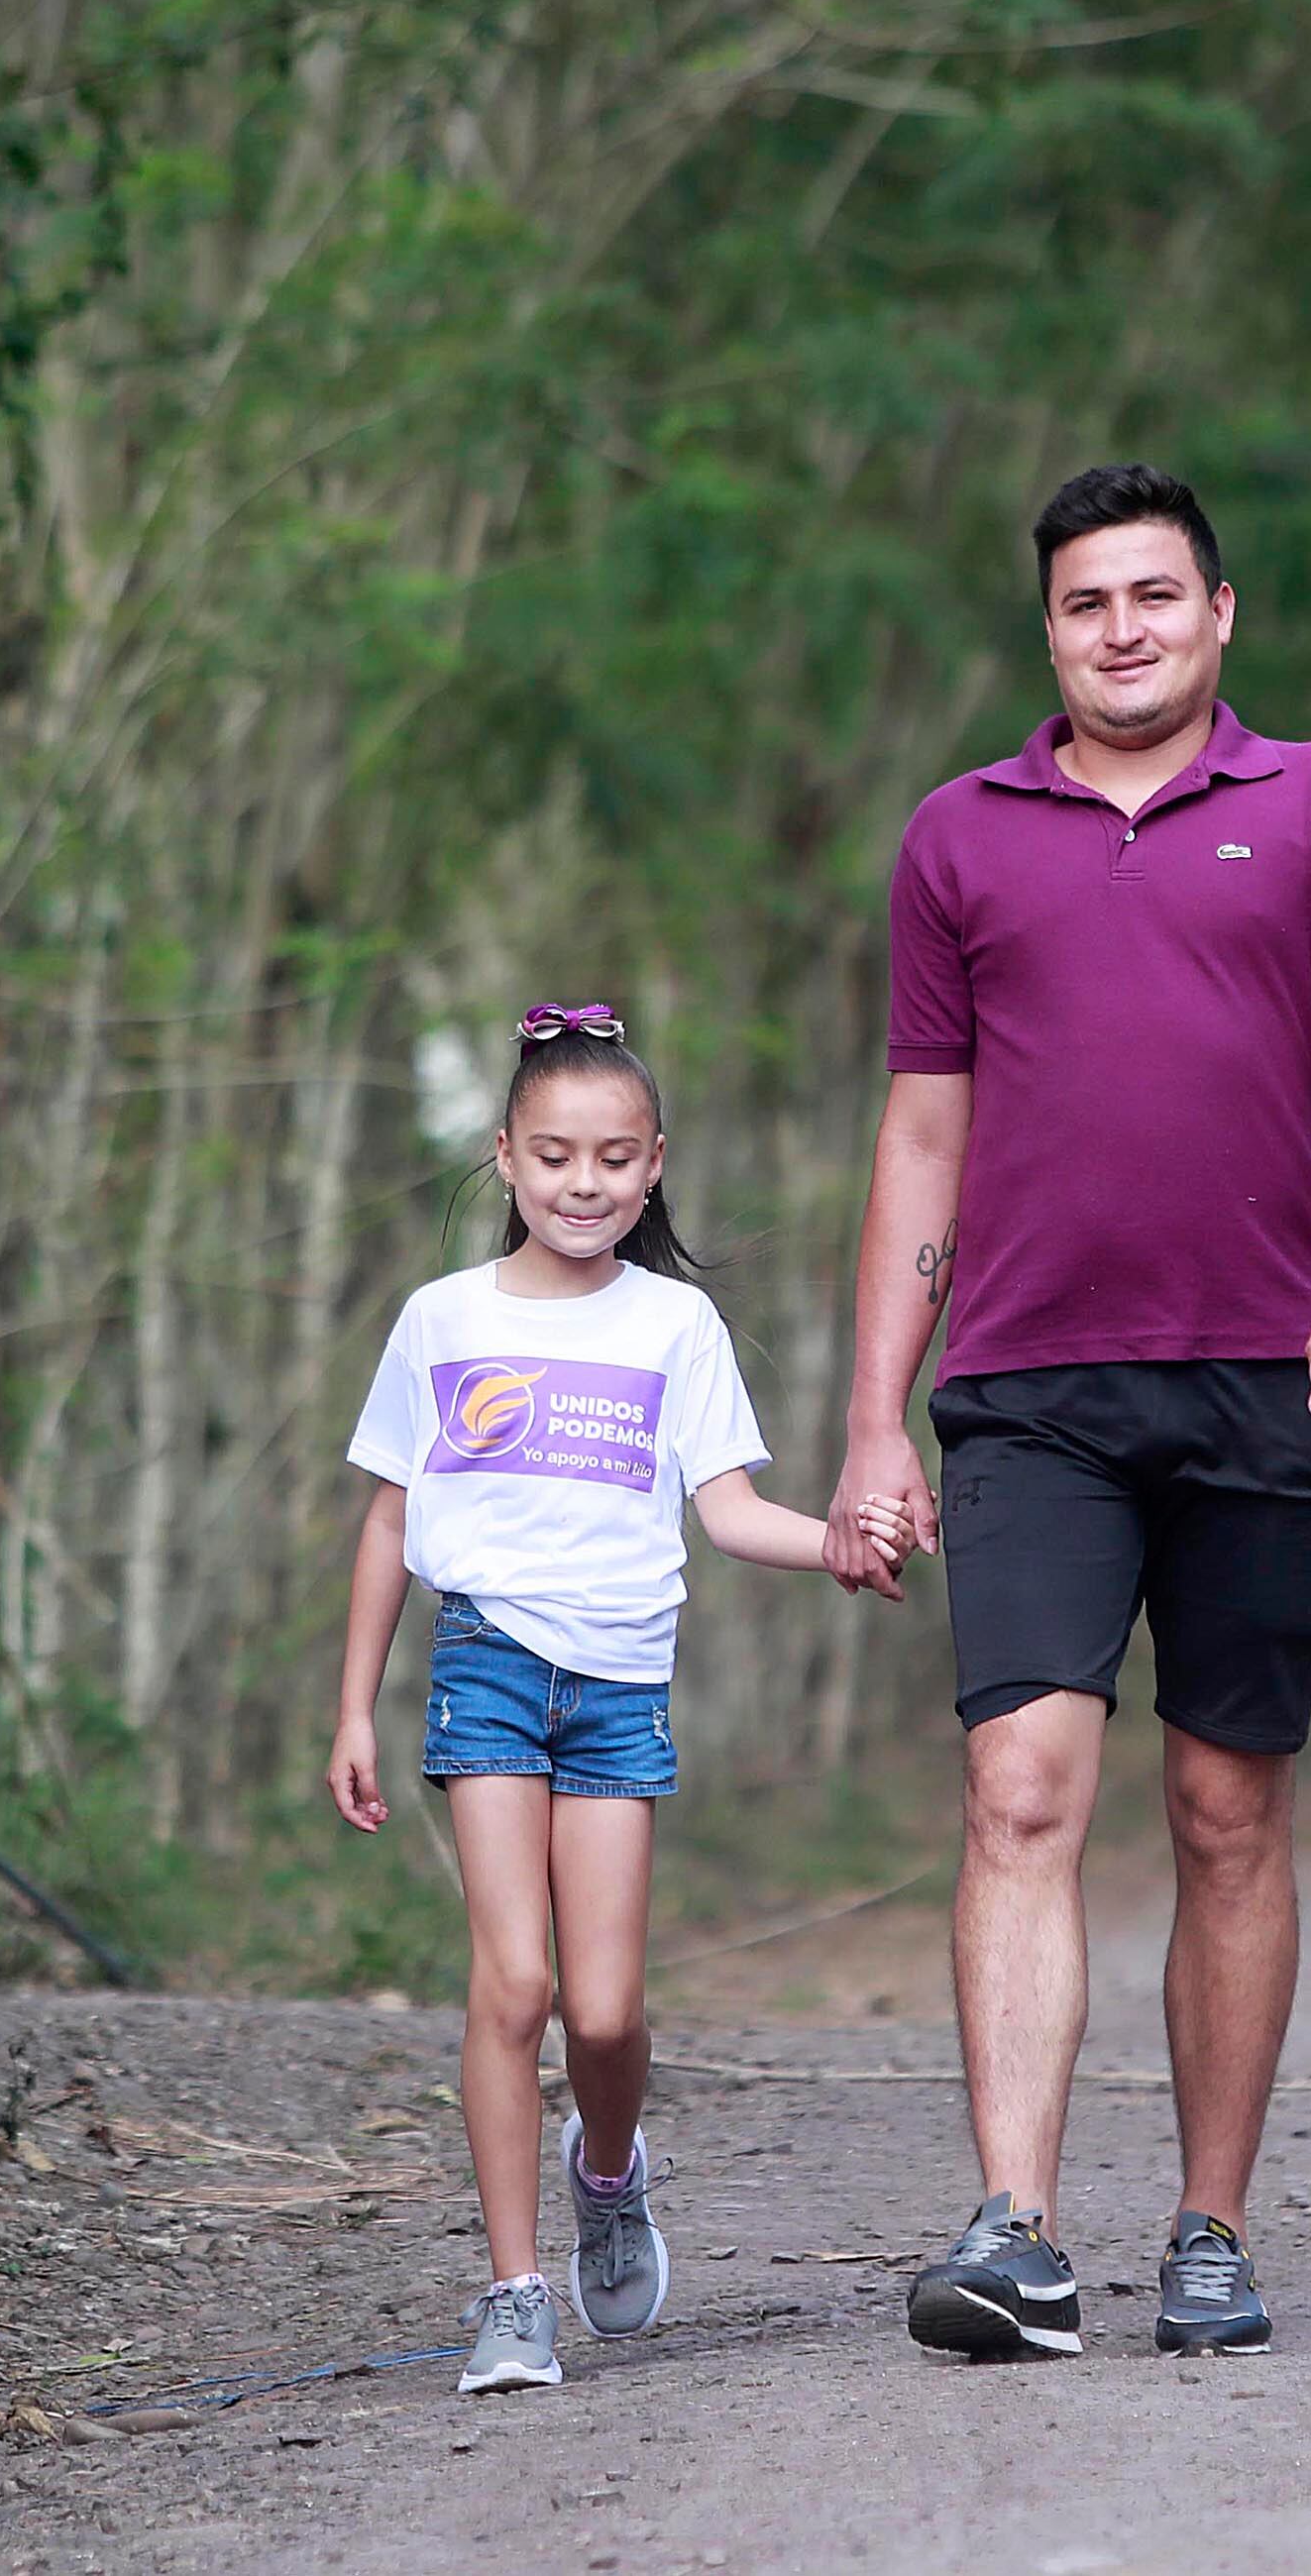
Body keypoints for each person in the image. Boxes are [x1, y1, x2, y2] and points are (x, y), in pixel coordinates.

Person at [823, 463, 1311, 2359]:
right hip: (1029, 1389)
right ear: (1051, 632)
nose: (1125, 629)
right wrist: (873, 1418)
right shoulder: (961, 836)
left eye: (1157, 597)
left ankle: (1210, 2229)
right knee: (1021, 1784)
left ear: (1219, 613)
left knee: (1224, 1809)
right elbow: (923, 1135)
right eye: (1090, 602)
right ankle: (1014, 2227)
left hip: (1273, 1369)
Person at [328, 1003, 916, 2394]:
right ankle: (514, 2292)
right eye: (553, 1157)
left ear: (654, 1166)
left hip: (618, 1683)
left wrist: (839, 1543)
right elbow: (385, 1524)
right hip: (483, 1665)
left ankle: (609, 2166)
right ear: (506, 1160)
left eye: (611, 1158)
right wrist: (353, 1708)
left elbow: (729, 1513)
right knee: (513, 1983)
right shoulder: (442, 1319)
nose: (581, 1185)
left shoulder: (677, 1326)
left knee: (602, 2013)